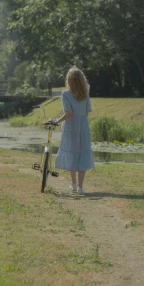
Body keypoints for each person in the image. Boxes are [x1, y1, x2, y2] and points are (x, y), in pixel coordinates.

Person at [50, 67, 95, 195]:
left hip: (70, 127)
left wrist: (56, 121)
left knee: (71, 152)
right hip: (83, 127)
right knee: (82, 153)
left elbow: (68, 113)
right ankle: (81, 187)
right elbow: (86, 112)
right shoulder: (85, 93)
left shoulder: (66, 94)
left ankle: (74, 184)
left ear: (68, 80)